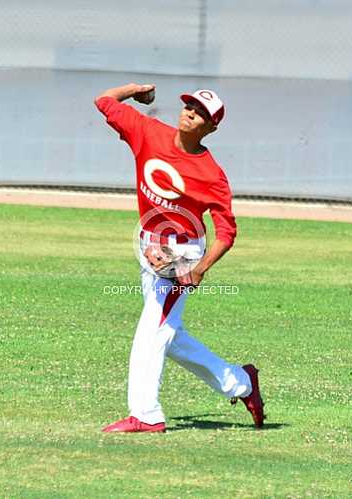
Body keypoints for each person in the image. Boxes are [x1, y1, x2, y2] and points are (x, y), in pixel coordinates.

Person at [94, 83, 265, 432]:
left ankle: (146, 415)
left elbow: (227, 233)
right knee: (169, 336)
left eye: (202, 112)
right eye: (189, 105)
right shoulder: (147, 131)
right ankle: (241, 382)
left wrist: (199, 269)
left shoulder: (211, 175)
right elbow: (104, 101)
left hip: (182, 255)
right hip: (149, 246)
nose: (191, 113)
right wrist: (136, 91)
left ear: (212, 128)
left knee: (152, 331)